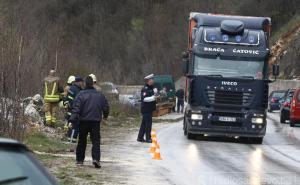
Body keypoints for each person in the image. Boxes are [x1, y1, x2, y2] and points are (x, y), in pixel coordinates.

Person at [70, 76, 109, 168]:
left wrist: (72, 120)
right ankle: (96, 159)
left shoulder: (81, 94)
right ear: (93, 84)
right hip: (95, 122)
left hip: (83, 121)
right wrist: (105, 117)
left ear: (85, 84)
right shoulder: (100, 95)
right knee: (95, 141)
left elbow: (76, 108)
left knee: (82, 141)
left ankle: (80, 160)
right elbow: (106, 107)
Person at [137, 74, 157, 143]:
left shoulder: (151, 88)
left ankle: (140, 137)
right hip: (146, 109)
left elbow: (152, 95)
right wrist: (153, 98)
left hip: (149, 109)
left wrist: (155, 94)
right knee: (148, 124)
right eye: (152, 80)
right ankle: (148, 138)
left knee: (144, 124)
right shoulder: (145, 89)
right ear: (148, 81)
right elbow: (144, 99)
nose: (153, 81)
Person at [66, 77, 83, 142]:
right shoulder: (74, 89)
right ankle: (71, 143)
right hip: (73, 112)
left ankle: (71, 142)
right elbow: (71, 101)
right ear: (78, 82)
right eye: (81, 82)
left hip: (73, 112)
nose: (82, 83)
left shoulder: (76, 89)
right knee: (74, 128)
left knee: (73, 128)